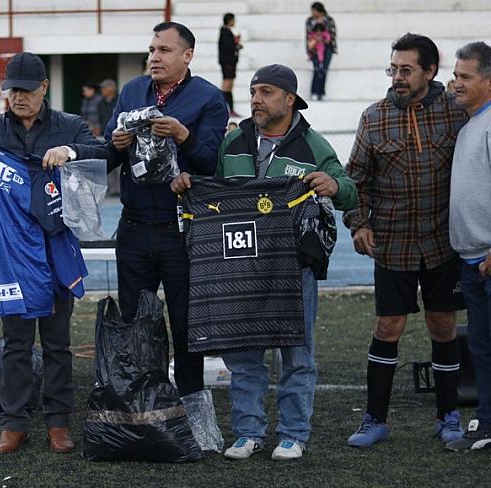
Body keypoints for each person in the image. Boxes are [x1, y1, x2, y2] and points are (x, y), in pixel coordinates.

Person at [171, 64, 357, 460]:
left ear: (290, 100)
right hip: (240, 265)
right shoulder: (234, 141)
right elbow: (214, 190)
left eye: (267, 92)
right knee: (242, 354)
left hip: (293, 268)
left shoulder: (314, 146)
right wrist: (189, 184)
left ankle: (293, 434)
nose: (256, 99)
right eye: (254, 91)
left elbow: (350, 194)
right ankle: (248, 431)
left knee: (297, 353)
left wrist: (335, 185)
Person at [0, 51, 109, 455]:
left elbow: (107, 155)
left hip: (55, 249)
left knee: (57, 343)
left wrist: (70, 154)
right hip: (11, 252)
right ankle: (13, 424)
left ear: (44, 89)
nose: (18, 97)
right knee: (15, 343)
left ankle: (57, 423)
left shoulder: (68, 125)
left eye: (26, 90)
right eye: (11, 90)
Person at [104, 22, 228, 451]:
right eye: (151, 49)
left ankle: (194, 421)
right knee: (136, 326)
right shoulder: (132, 91)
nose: (154, 57)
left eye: (164, 50)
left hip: (183, 231)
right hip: (135, 226)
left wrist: (182, 134)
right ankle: (142, 415)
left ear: (187, 56)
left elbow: (211, 160)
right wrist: (115, 143)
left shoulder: (208, 97)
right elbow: (107, 153)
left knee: (188, 326)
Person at [344, 34, 468, 448]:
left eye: (406, 69)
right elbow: (355, 180)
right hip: (392, 243)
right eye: (392, 68)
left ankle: (448, 415)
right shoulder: (373, 117)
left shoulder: (457, 112)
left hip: (445, 242)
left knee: (443, 325)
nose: (397, 77)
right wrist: (359, 223)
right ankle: (374, 419)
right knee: (388, 325)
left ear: (430, 71)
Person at [445, 41, 491, 452]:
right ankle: (488, 425)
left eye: (465, 77)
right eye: (455, 76)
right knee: (481, 344)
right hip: (472, 260)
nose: (455, 84)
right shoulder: (471, 124)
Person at [305, 2, 336, 100]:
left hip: (327, 48)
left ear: (319, 10)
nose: (312, 12)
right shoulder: (310, 21)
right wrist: (310, 48)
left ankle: (322, 93)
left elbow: (332, 35)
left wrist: (322, 39)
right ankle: (314, 91)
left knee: (324, 70)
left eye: (313, 10)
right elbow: (307, 36)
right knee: (317, 69)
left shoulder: (329, 20)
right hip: (314, 48)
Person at [218, 12, 242, 117]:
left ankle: (230, 109)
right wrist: (236, 44)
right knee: (226, 86)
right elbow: (228, 47)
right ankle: (226, 109)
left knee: (229, 86)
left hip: (230, 63)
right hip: (228, 63)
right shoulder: (225, 32)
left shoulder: (226, 31)